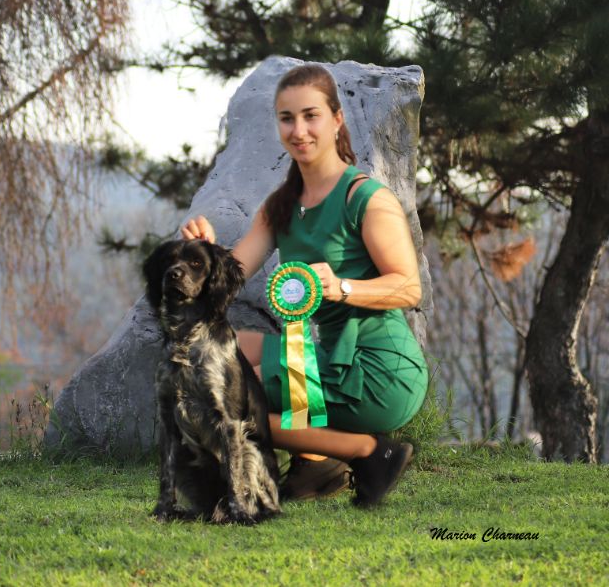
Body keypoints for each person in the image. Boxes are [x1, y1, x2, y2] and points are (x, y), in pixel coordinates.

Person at [181, 63, 428, 508]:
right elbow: (227, 280)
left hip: (380, 372)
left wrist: (342, 288)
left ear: (336, 119)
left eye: (311, 116)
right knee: (215, 356)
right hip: (327, 359)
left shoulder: (367, 199)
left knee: (231, 395)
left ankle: (371, 452)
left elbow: (409, 288)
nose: (299, 131)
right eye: (287, 118)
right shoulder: (280, 206)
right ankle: (317, 459)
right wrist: (203, 254)